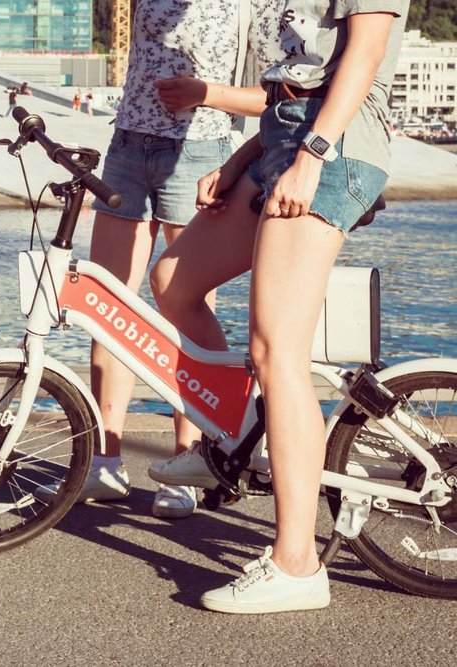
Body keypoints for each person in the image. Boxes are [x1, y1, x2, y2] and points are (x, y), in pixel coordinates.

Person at [147, 0, 408, 613]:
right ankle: (233, 443)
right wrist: (239, 161)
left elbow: (364, 55)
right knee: (174, 281)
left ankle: (296, 565)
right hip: (280, 139)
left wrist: (310, 159)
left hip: (331, 147)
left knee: (276, 351)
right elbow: (287, 81)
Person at [37, 0, 283, 518]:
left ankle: (189, 460)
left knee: (185, 310)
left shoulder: (251, 5)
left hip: (200, 152)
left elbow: (277, 97)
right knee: (108, 310)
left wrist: (204, 93)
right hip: (126, 147)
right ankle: (104, 461)